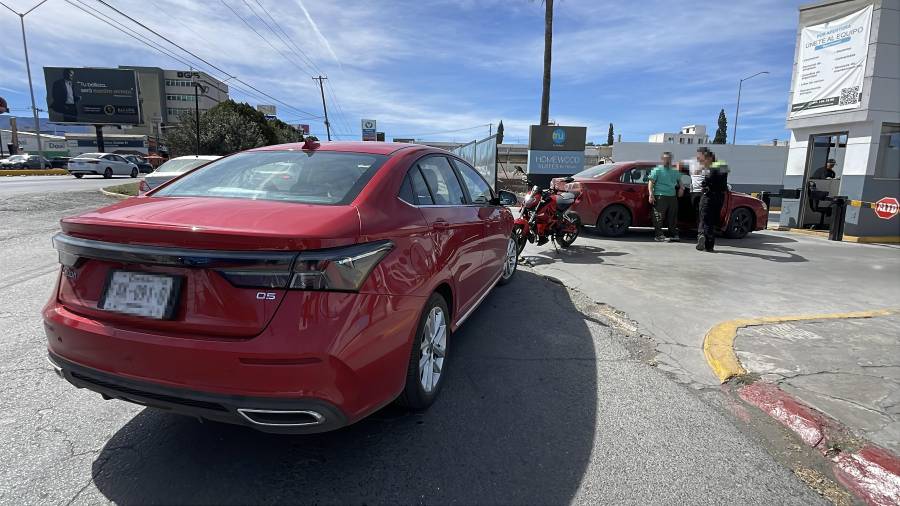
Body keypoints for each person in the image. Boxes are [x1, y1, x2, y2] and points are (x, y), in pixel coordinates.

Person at [696, 150, 729, 252]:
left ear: (709, 158)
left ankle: (708, 246)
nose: (702, 162)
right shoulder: (723, 165)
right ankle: (709, 243)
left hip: (709, 197)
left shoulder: (711, 168)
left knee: (706, 220)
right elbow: (723, 182)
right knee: (713, 221)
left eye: (703, 160)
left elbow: (706, 182)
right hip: (720, 197)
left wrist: (703, 184)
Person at [648, 151, 683, 242]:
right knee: (658, 216)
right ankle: (659, 235)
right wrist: (651, 194)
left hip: (672, 196)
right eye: (665, 159)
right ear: (662, 159)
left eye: (669, 159)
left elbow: (680, 181)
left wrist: (681, 188)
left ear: (671, 159)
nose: (667, 160)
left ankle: (673, 234)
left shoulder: (674, 171)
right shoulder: (657, 170)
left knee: (672, 216)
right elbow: (651, 182)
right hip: (660, 196)